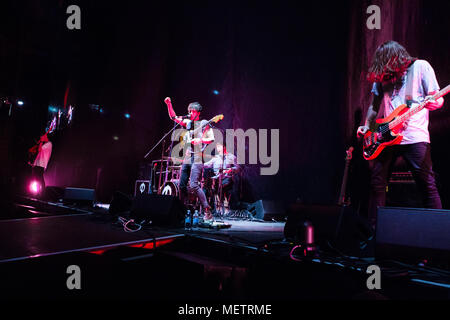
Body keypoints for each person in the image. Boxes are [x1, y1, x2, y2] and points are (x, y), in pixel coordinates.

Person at [357, 41, 444, 227]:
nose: (387, 76)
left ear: (396, 59)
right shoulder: (384, 77)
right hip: (386, 137)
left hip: (414, 135)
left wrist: (433, 103)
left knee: (426, 185)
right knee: (377, 184)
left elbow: (438, 98)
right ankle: (375, 232)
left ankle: (438, 232)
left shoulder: (421, 67)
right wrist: (368, 127)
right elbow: (374, 106)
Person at [164, 97, 215, 221]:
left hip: (198, 157)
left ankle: (207, 210)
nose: (190, 113)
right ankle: (184, 209)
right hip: (187, 156)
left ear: (198, 112)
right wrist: (169, 104)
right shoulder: (187, 122)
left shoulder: (204, 123)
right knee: (181, 185)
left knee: (194, 185)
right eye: (189, 111)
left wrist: (200, 140)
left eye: (193, 111)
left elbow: (211, 138)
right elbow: (173, 117)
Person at [203, 142, 241, 212]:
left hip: (226, 179)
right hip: (217, 179)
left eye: (219, 146)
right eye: (217, 147)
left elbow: (238, 168)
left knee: (225, 192)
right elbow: (207, 165)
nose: (218, 149)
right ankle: (219, 210)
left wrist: (230, 170)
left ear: (224, 147)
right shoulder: (215, 158)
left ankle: (227, 210)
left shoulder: (231, 157)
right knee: (215, 191)